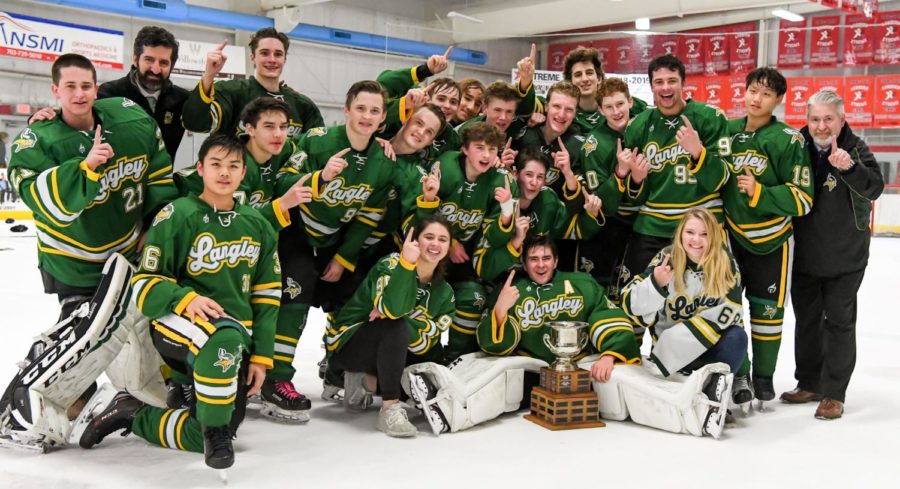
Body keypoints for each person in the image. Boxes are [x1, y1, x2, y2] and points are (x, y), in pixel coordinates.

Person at [0, 54, 177, 450]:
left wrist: (155, 226)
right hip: (73, 261)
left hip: (127, 253)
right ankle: (25, 403)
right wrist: (87, 169)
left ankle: (127, 393)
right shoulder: (36, 140)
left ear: (97, 88)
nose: (79, 94)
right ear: (55, 91)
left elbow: (159, 173)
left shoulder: (130, 119)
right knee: (84, 335)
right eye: (70, 87)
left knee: (128, 330)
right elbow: (43, 200)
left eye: (86, 86)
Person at [78, 134, 281, 469]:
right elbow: (144, 285)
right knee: (223, 340)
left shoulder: (258, 225)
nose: (224, 173)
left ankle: (133, 414)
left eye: (233, 166)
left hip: (232, 341)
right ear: (199, 168)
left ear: (244, 173)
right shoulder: (177, 215)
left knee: (216, 429)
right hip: (176, 327)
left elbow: (268, 296)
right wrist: (184, 297)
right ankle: (187, 384)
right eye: (216, 164)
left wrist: (261, 357)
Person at [401, 235, 639, 435]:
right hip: (532, 368)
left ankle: (445, 411)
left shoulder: (582, 284)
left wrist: (609, 355)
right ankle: (440, 396)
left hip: (577, 368)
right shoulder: (511, 290)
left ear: (556, 261)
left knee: (621, 378)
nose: (541, 265)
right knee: (496, 376)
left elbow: (606, 313)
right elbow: (491, 345)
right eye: (534, 259)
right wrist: (501, 310)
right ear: (524, 265)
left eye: (546, 258)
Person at [268, 80, 395, 421]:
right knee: (295, 298)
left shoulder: (383, 160)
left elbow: (369, 216)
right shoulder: (317, 140)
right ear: (347, 109)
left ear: (382, 119)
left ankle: (338, 368)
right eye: (361, 108)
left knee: (350, 300)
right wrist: (319, 178)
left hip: (335, 243)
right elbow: (282, 182)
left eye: (374, 111)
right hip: (295, 233)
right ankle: (276, 378)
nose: (367, 116)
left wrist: (344, 257)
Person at [785, 89, 884, 420]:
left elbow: (874, 187)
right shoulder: (796, 145)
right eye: (815, 119)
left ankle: (834, 393)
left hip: (846, 258)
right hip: (804, 256)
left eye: (828, 119)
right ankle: (810, 382)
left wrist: (850, 168)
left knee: (839, 323)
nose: (821, 126)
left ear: (841, 120)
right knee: (807, 322)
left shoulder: (855, 148)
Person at [721, 67, 813, 410]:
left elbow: (803, 198)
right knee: (728, 311)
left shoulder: (789, 140)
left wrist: (761, 192)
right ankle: (740, 373)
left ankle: (763, 377)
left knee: (766, 313)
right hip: (730, 238)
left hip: (773, 241)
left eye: (765, 94)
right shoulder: (726, 132)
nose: (756, 99)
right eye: (752, 91)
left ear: (777, 100)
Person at [324, 216, 454, 437]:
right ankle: (389, 408)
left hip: (392, 349)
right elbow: (393, 310)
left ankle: (368, 382)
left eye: (443, 239)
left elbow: (423, 344)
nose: (435, 244)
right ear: (414, 240)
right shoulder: (391, 264)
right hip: (350, 345)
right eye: (429, 237)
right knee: (393, 326)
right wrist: (406, 264)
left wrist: (393, 314)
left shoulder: (446, 293)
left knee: (427, 353)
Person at [619, 54, 730, 305]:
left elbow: (722, 178)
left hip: (701, 228)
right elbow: (631, 193)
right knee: (635, 301)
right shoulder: (637, 127)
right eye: (659, 82)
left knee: (704, 303)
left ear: (683, 83)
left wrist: (697, 152)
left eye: (672, 80)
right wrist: (636, 180)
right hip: (652, 227)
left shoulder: (711, 117)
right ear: (651, 86)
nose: (666, 87)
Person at [416, 122, 517, 360]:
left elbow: (495, 236)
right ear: (465, 149)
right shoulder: (446, 168)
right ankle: (421, 357)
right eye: (480, 148)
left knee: (473, 297)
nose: (486, 155)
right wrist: (449, 242)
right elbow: (422, 217)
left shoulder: (501, 181)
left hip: (464, 258)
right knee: (422, 300)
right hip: (429, 252)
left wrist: (505, 212)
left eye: (492, 150)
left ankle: (455, 360)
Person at [29, 27, 189, 160]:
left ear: (172, 66)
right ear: (135, 59)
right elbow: (80, 117)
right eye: (149, 60)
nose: (155, 69)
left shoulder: (183, 99)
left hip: (160, 186)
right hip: (118, 185)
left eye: (163, 62)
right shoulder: (111, 92)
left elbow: (203, 121)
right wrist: (47, 118)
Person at [577, 77, 648, 304]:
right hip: (609, 228)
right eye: (608, 107)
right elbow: (601, 204)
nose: (616, 111)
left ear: (630, 101)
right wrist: (619, 174)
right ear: (600, 109)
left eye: (620, 104)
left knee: (638, 293)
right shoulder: (593, 144)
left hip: (644, 224)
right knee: (602, 292)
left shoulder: (646, 128)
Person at [183, 28, 323, 139]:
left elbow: (317, 149)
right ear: (253, 58)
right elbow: (194, 123)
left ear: (285, 59)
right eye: (264, 53)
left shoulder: (303, 105)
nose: (272, 59)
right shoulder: (232, 92)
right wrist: (209, 75)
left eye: (278, 54)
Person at [561, 46, 647, 132]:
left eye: (589, 73)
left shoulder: (624, 102)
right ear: (570, 82)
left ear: (599, 78)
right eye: (578, 75)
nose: (585, 79)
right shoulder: (566, 114)